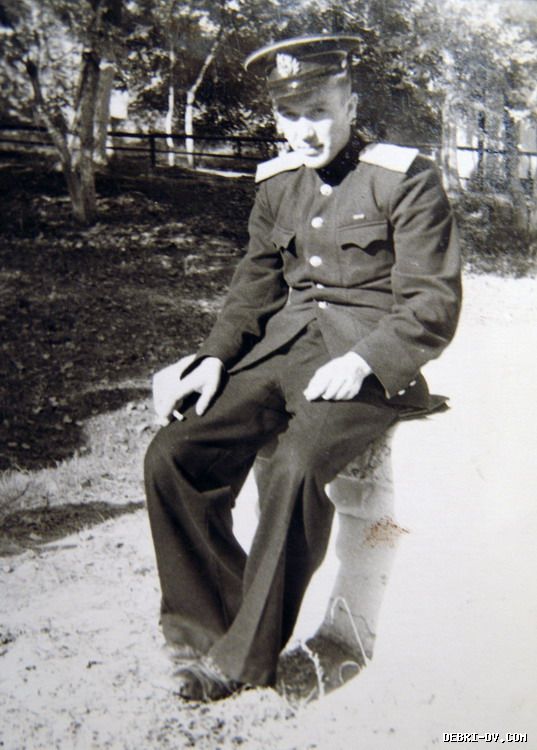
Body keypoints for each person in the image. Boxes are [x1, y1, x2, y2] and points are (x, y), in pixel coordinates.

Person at [144, 34, 462, 702]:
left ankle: (241, 660)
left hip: (366, 363)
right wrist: (213, 358)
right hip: (280, 351)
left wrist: (365, 360)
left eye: (318, 111)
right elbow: (254, 284)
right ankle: (208, 627)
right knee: (174, 454)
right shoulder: (278, 183)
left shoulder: (403, 178)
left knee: (294, 467)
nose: (304, 131)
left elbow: (431, 303)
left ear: (351, 105)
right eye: (290, 116)